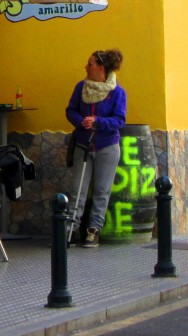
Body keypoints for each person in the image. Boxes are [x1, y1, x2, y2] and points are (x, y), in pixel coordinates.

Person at [65, 49, 127, 249]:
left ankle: (93, 231)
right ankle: (70, 230)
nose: (86, 66)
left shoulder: (117, 92)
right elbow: (70, 110)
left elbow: (119, 119)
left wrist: (98, 122)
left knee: (102, 190)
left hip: (107, 146)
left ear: (100, 68)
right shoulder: (80, 88)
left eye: (90, 64)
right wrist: (81, 121)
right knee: (78, 190)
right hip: (83, 145)